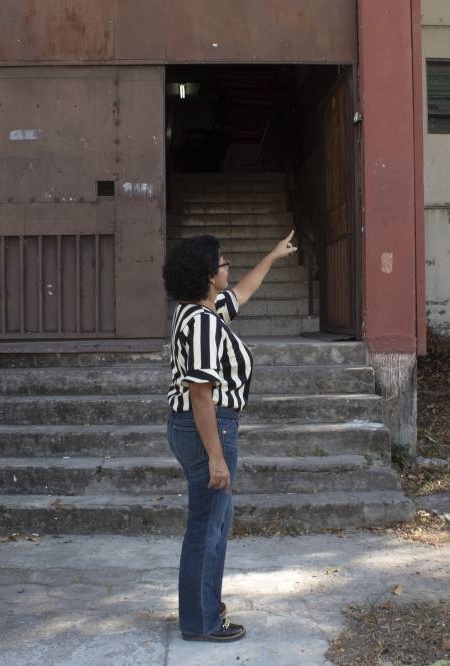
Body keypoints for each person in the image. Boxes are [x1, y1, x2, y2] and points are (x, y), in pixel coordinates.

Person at [162, 231, 298, 642]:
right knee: (208, 525)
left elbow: (242, 291)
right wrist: (217, 456)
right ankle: (200, 621)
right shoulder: (202, 324)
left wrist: (272, 256)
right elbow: (201, 394)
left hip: (201, 426)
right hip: (209, 427)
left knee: (214, 521)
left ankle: (202, 606)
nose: (228, 267)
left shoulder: (196, 311)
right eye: (222, 263)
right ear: (207, 276)